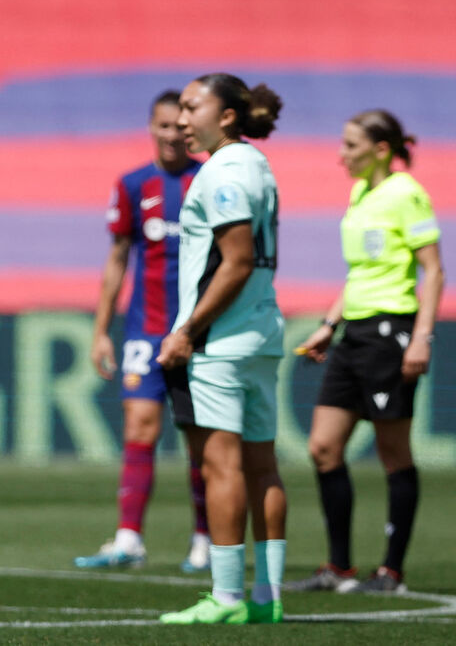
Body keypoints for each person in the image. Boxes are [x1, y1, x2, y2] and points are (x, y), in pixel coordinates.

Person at [284, 110, 444, 596]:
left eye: (350, 145)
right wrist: (329, 325)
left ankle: (391, 572)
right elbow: (358, 274)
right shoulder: (360, 193)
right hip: (352, 333)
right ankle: (338, 567)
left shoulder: (407, 193)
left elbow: (433, 270)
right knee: (323, 448)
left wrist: (421, 336)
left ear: (379, 149)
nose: (341, 154)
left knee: (393, 452)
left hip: (389, 333)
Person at [155, 73, 287, 626]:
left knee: (222, 465)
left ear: (226, 115)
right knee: (262, 465)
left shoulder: (223, 173)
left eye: (192, 107)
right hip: (260, 334)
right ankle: (268, 597)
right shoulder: (257, 165)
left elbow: (234, 261)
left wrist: (187, 331)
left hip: (221, 341)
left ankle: (228, 596)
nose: (183, 120)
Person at [75, 91, 211, 573]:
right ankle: (129, 539)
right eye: (163, 125)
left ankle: (205, 539)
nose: (172, 134)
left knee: (198, 438)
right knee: (139, 427)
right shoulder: (134, 184)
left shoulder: (209, 180)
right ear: (151, 127)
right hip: (144, 330)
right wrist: (101, 331)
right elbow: (116, 261)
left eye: (180, 126)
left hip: (198, 332)